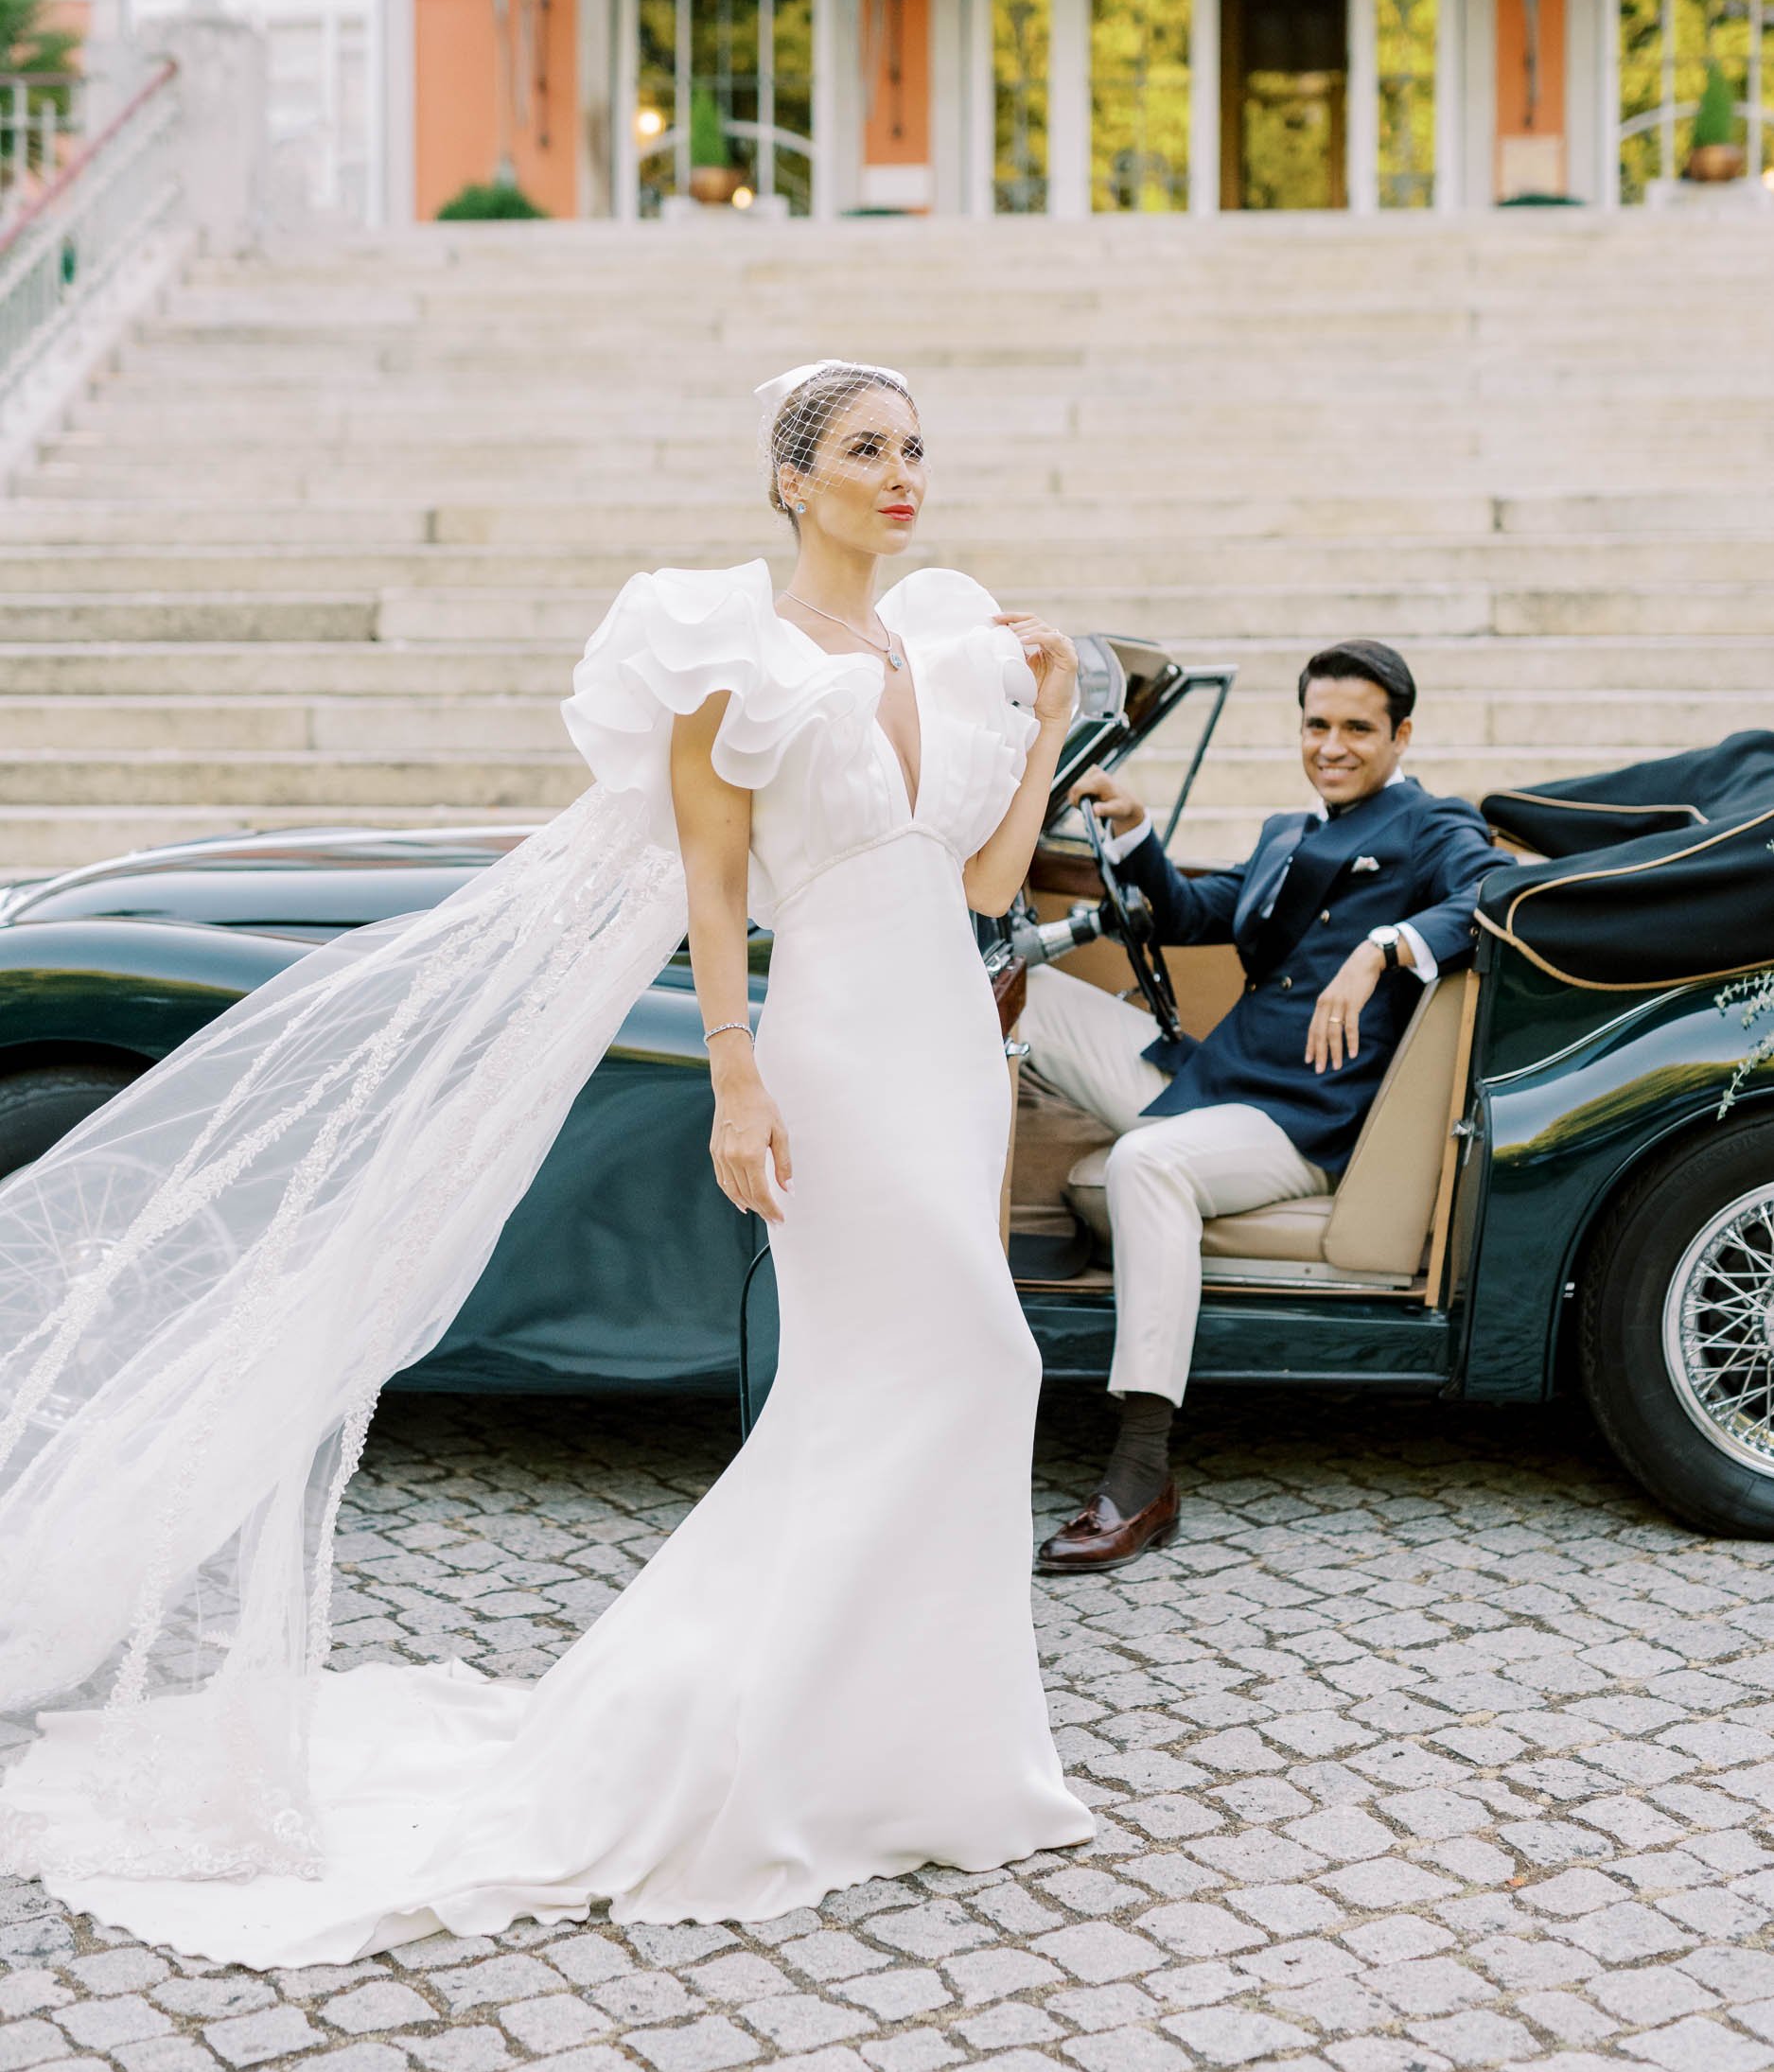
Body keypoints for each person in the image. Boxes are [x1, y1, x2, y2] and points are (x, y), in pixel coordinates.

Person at [0, 359, 1095, 1968]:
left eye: (916, 447)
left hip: (945, 1039)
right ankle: (740, 1734)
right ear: (793, 479)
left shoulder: (943, 643)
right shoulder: (731, 650)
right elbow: (719, 881)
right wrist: (735, 1075)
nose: (901, 472)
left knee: (909, 1387)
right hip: (835, 1043)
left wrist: (1052, 720)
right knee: (968, 1362)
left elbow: (989, 883)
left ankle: (908, 1752)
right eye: (866, 449)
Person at [1025, 641, 1512, 1572]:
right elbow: (1194, 913)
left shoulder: (1429, 823)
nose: (1332, 744)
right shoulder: (1286, 832)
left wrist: (1384, 948)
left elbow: (1490, 887)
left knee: (1144, 1161)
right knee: (1022, 987)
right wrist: (1133, 835)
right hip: (1210, 1080)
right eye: (1316, 724)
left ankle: (1141, 1467)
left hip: (1299, 1121)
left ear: (1400, 734)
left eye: (1357, 728)